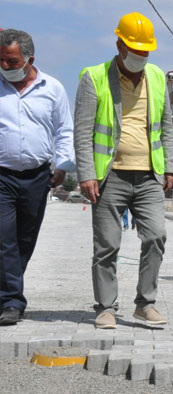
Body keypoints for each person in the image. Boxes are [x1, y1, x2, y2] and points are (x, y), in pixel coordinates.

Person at [74, 12, 173, 330]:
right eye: (135, 49)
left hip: (148, 174)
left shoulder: (158, 77)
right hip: (109, 174)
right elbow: (82, 130)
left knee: (157, 235)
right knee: (107, 245)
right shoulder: (94, 76)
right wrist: (86, 173)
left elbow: (167, 125)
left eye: (146, 51)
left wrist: (170, 166)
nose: (140, 56)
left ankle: (145, 304)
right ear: (119, 44)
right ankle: (105, 307)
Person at [0, 29, 75, 325]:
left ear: (30, 59)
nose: (5, 66)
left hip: (37, 177)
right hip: (2, 176)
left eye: (11, 60)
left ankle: (8, 292)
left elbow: (64, 131)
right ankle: (12, 301)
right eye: (1, 60)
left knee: (24, 240)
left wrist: (63, 166)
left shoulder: (52, 88)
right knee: (3, 238)